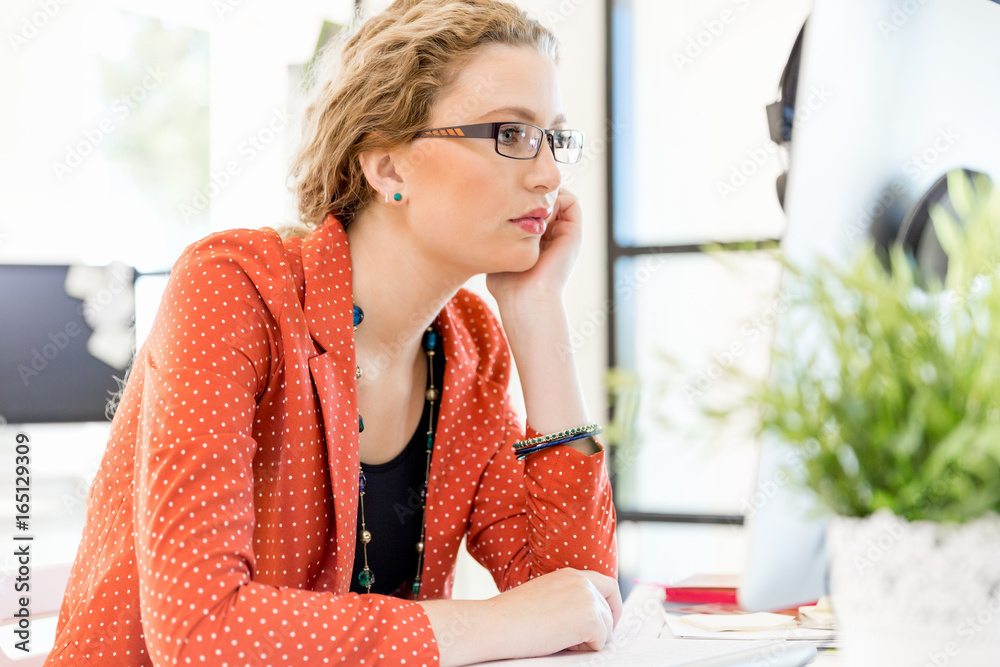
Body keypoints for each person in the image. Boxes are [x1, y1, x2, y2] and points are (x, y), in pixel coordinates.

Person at [46, 0, 619, 665]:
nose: (549, 173)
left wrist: (538, 312)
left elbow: (580, 607)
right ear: (388, 167)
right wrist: (486, 623)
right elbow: (202, 633)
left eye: (555, 138)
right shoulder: (233, 288)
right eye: (511, 134)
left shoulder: (470, 342)